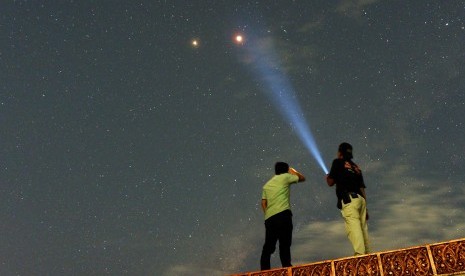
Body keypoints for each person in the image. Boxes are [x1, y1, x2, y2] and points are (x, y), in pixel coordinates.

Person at [260, 162, 306, 270]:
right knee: (284, 244)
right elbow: (302, 178)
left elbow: (263, 203)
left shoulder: (266, 185)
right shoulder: (285, 177)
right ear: (285, 170)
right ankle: (286, 267)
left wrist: (268, 214)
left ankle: (264, 270)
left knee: (268, 246)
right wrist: (293, 171)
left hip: (270, 218)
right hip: (283, 214)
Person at [326, 142, 369, 255]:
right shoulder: (356, 167)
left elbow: (330, 182)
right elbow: (361, 188)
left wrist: (327, 176)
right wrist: (366, 208)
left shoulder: (337, 162)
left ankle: (360, 255)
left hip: (349, 199)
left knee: (353, 226)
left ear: (340, 152)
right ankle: (368, 255)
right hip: (361, 200)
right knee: (363, 229)